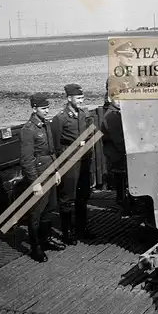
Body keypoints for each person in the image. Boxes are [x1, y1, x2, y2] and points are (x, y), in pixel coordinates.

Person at [20, 93, 66, 262]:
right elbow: (26, 160)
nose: (47, 111)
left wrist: (56, 171)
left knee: (50, 208)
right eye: (43, 108)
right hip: (39, 177)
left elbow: (51, 151)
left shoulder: (45, 125)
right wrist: (35, 183)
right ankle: (35, 248)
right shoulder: (28, 130)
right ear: (34, 109)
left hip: (50, 173)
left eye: (47, 108)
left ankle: (45, 240)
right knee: (36, 213)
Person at [51, 84, 94, 245]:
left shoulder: (84, 114)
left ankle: (82, 228)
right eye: (78, 98)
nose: (81, 101)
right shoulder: (60, 118)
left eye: (82, 98)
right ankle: (67, 232)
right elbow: (55, 145)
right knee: (67, 197)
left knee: (83, 196)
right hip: (69, 162)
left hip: (84, 161)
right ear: (69, 98)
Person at [101, 79, 129, 213]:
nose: (119, 101)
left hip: (119, 153)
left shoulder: (117, 112)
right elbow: (118, 140)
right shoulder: (111, 115)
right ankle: (122, 204)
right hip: (118, 155)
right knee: (121, 182)